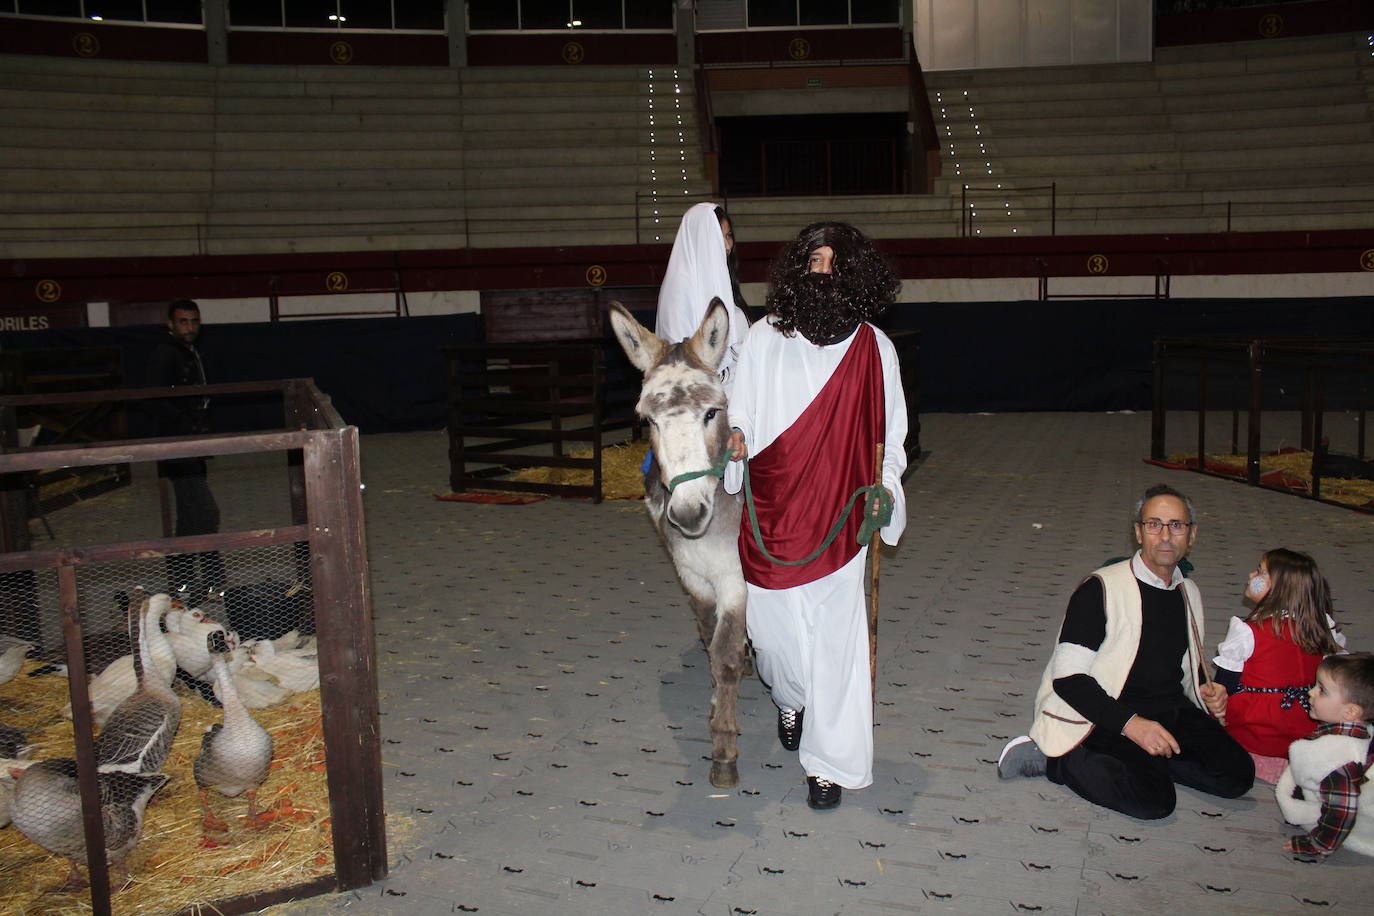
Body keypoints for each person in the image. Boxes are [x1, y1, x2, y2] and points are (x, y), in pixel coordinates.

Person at [723, 221, 908, 811]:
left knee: (837, 648)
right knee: (775, 645)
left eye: (834, 261)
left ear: (855, 273)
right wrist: (736, 441)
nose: (822, 270)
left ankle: (828, 764)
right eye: (814, 259)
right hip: (774, 519)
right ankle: (790, 699)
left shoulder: (876, 349)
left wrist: (886, 491)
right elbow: (741, 418)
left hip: (841, 522)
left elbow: (892, 439)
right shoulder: (762, 338)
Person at [998, 483, 1254, 820]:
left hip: (1168, 708)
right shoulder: (1100, 588)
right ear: (1138, 532)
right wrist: (1133, 726)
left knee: (1237, 775)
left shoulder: (1187, 591)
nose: (1165, 535)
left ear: (1191, 536)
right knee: (1154, 801)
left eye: (1176, 525)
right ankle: (1057, 760)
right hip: (1104, 714)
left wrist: (1208, 692)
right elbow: (1068, 680)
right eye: (1154, 524)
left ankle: (1147, 758)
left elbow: (1185, 665)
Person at [1214, 548, 1347, 784]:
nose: (1251, 575)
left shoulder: (1249, 631)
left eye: (1260, 573)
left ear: (1280, 590)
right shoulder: (1320, 627)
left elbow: (1226, 684)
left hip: (1257, 724)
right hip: (1305, 720)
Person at [146, 299, 225, 596]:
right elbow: (152, 398)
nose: (190, 327)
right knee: (205, 512)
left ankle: (185, 583)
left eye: (194, 321)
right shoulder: (166, 355)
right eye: (183, 322)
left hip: (191, 443)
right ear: (170, 324)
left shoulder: (189, 353)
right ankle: (211, 580)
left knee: (191, 515)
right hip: (178, 444)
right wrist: (185, 425)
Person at [1277, 652, 1374, 859]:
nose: (1311, 692)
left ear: (1350, 712)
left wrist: (1316, 844)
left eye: (1322, 690)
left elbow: (1342, 813)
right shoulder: (1345, 733)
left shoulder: (1340, 759)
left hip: (1359, 827)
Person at [654, 202, 751, 391]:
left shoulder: (720, 282)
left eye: (729, 235)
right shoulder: (678, 293)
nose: (728, 245)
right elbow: (682, 367)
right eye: (718, 236)